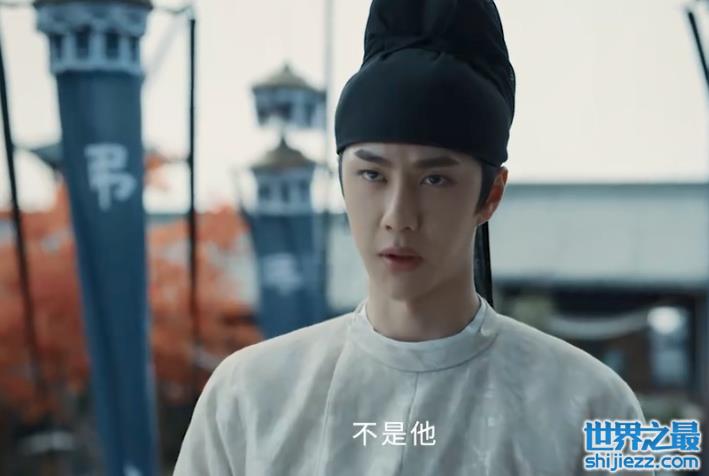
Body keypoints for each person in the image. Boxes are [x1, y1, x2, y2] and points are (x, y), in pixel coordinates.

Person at [174, 0, 652, 474]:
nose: (398, 217)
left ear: (490, 195)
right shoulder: (248, 397)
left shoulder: (591, 407)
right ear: (341, 180)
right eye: (372, 175)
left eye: (434, 179)